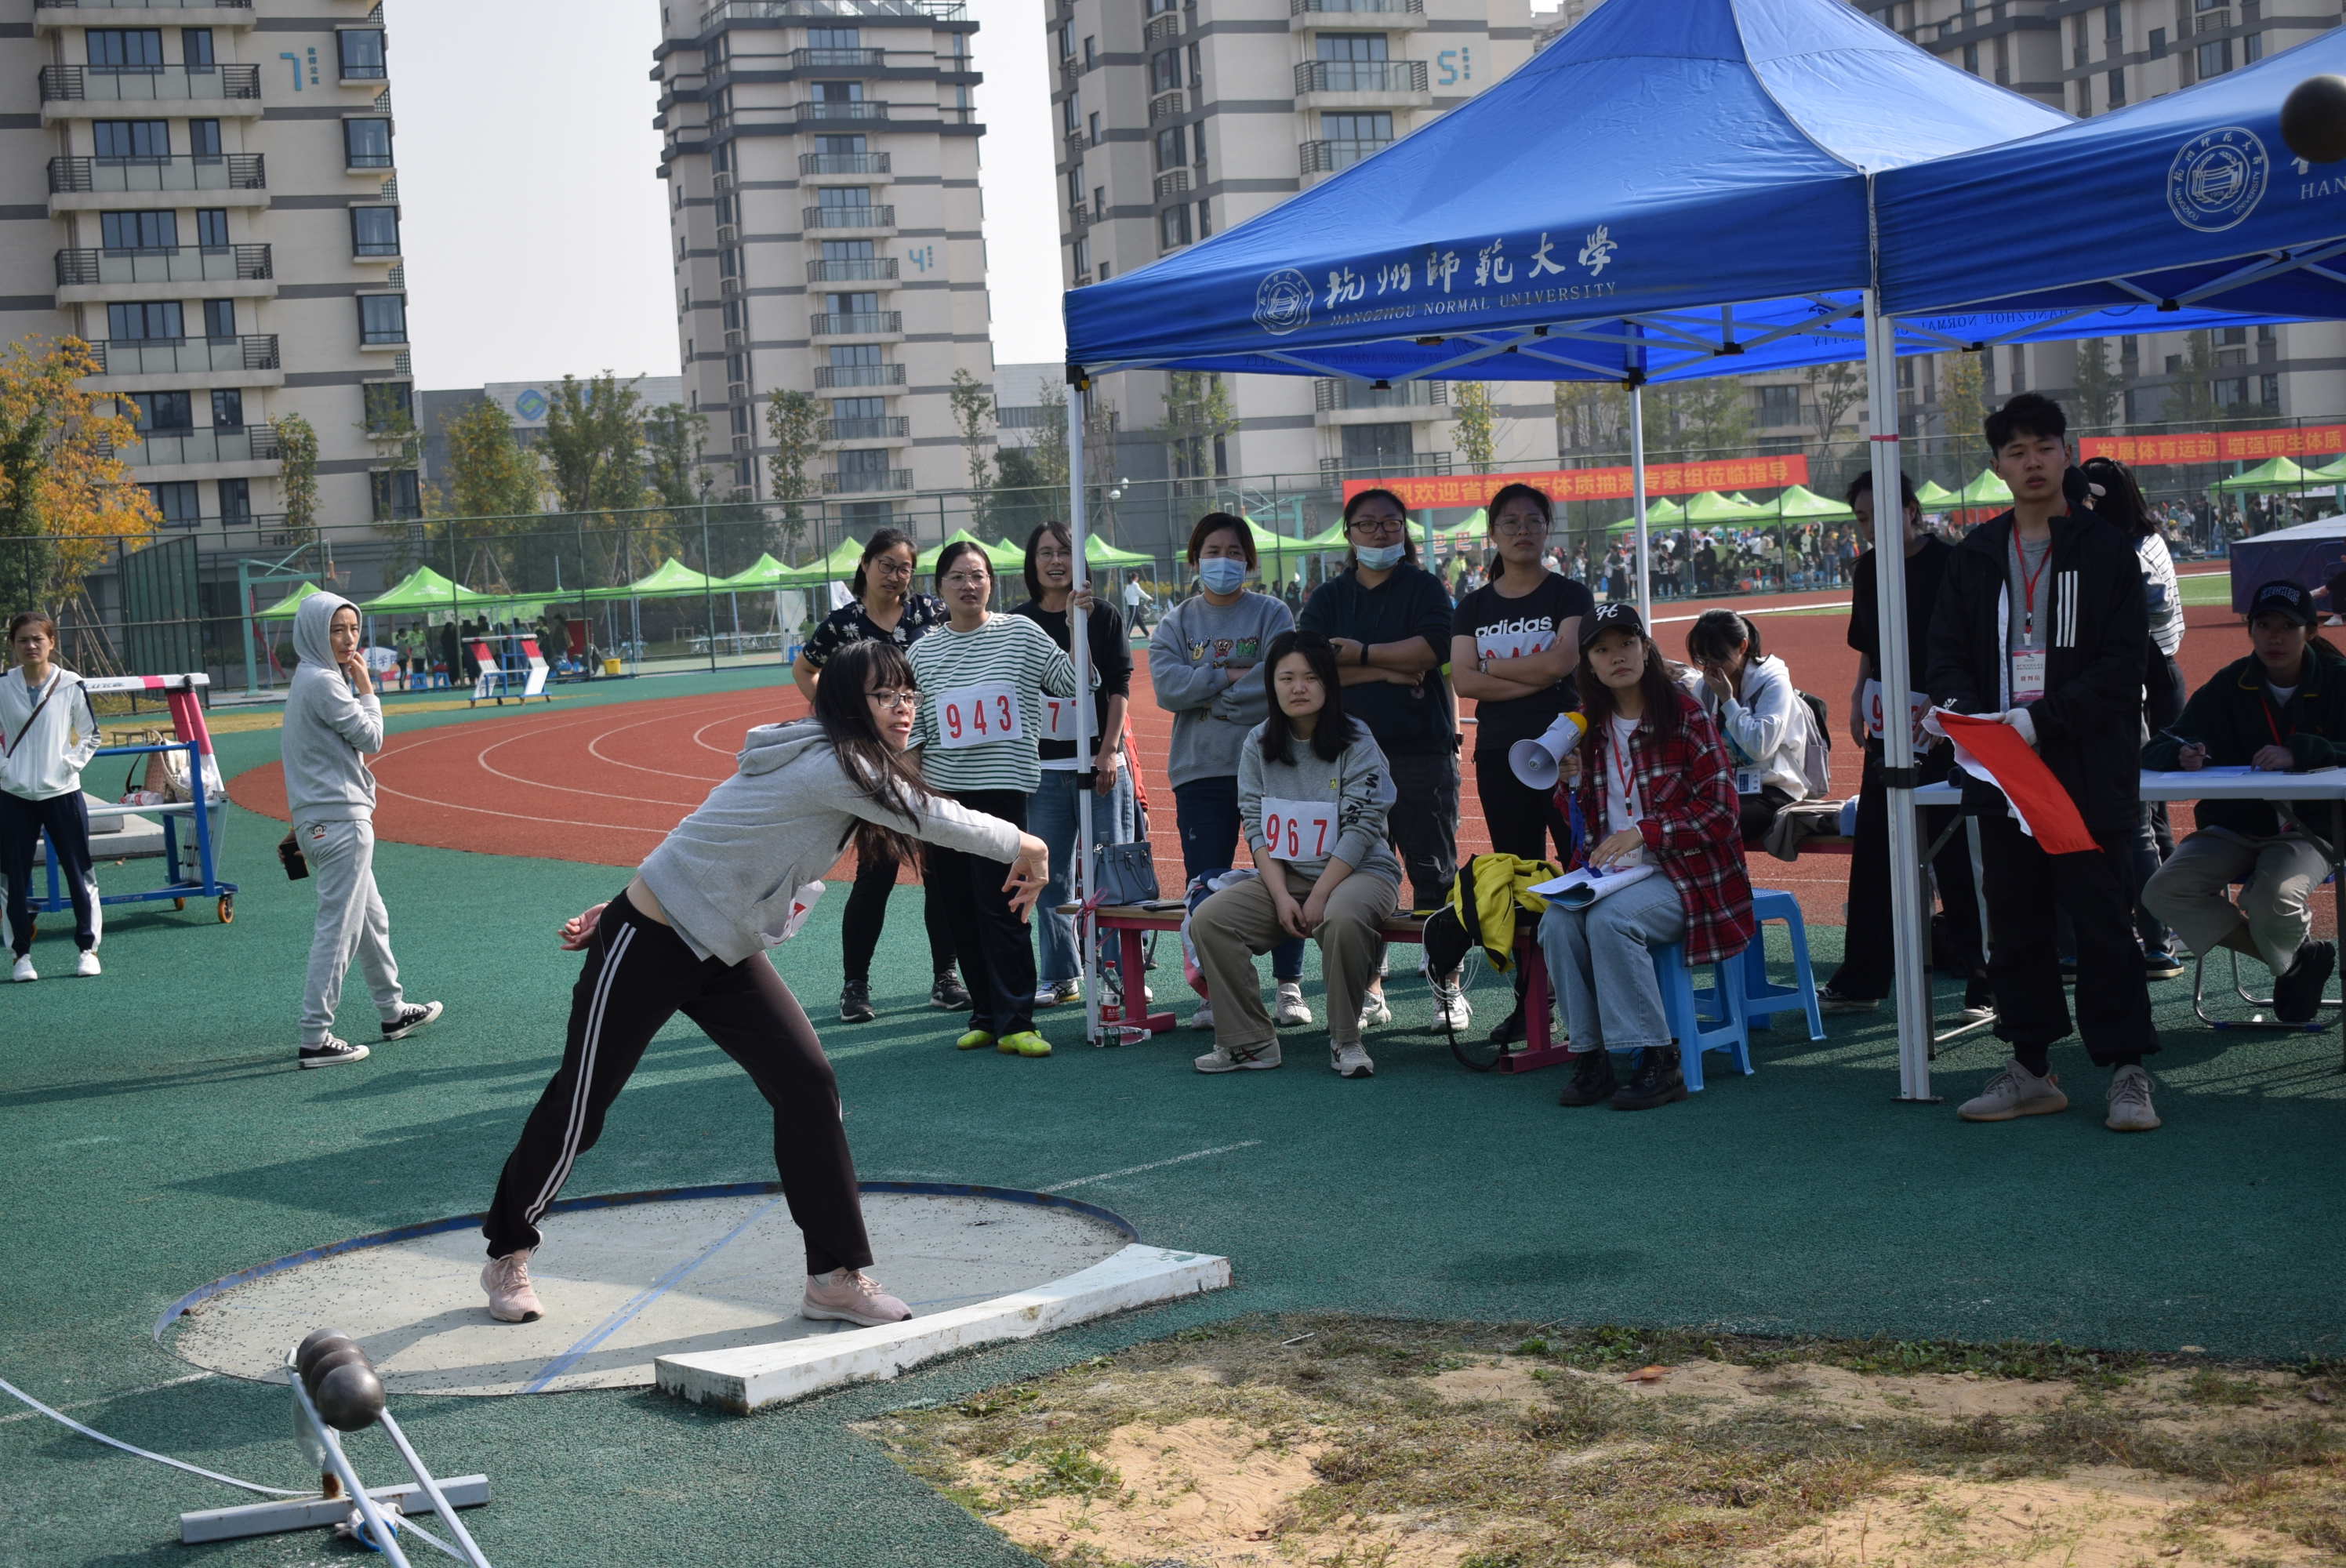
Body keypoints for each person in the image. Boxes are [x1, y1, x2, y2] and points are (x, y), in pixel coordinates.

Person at [478, 638, 1051, 1327]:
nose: (903, 707)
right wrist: (1029, 843)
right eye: (884, 695)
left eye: (908, 693)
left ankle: (833, 1278)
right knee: (581, 1103)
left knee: (808, 1087)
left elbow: (721, 831)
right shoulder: (833, 765)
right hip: (652, 941)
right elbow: (934, 817)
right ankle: (508, 1252)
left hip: (724, 950)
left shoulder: (841, 760)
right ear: (847, 702)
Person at [1924, 393, 2160, 1133]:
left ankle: (2128, 1072)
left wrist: (2040, 719)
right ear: (1997, 466)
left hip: (2085, 770)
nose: (2032, 462)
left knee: (2103, 923)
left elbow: (2124, 667)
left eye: (2043, 447)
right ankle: (2031, 1069)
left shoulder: (2105, 550)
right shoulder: (1975, 555)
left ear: (2067, 453)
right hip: (2002, 773)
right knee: (2016, 925)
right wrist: (1970, 717)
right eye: (2016, 451)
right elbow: (1946, 655)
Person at [1538, 604, 1755, 1112]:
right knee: (1556, 922)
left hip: (1687, 874)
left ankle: (1659, 1059)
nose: (1617, 656)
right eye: (1602, 649)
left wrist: (1645, 831)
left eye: (1626, 643)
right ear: (1589, 664)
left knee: (1610, 921)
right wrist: (1568, 784)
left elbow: (1722, 811)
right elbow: (1582, 821)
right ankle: (1591, 1057)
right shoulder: (1587, 726)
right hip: (1613, 875)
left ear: (1646, 648)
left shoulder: (1685, 714)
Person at [1191, 631, 1401, 1078]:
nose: (1298, 688)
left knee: (1341, 918)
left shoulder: (1357, 740)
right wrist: (1282, 895)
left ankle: (1345, 1040)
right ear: (1272, 685)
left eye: (1310, 677)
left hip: (1360, 873)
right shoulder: (1258, 743)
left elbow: (1362, 827)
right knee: (1210, 919)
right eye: (1286, 678)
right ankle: (1251, 1042)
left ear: (1329, 682)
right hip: (1289, 876)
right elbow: (1256, 828)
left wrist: (1319, 895)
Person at [1820, 470, 1988, 1019]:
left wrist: (1945, 707)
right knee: (1875, 849)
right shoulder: (1867, 570)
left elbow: (1973, 645)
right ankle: (1862, 980)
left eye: (1881, 514)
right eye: (1862, 518)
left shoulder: (1952, 564)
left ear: (1913, 510)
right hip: (1887, 729)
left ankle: (1984, 982)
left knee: (1956, 855)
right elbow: (1868, 645)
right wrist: (1855, 698)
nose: (1871, 527)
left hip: (1944, 729)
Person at [906, 539, 1080, 1058]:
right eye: (957, 577)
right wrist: (916, 799)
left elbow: (1072, 682)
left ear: (991, 583)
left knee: (1005, 906)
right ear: (939, 588)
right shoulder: (921, 652)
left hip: (1002, 793)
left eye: (978, 575)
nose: (969, 585)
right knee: (960, 909)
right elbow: (915, 729)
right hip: (944, 800)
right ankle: (985, 1014)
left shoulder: (1021, 634)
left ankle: (1017, 1020)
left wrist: (1079, 626)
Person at [2141, 580, 2344, 1022]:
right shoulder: (2230, 683)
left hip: (2310, 831)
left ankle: (2292, 963)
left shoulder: (2337, 678)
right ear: (2250, 629)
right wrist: (2180, 754)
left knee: (2273, 899)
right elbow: (2159, 745)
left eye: (2287, 626)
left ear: (2310, 631)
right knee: (2163, 891)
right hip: (2232, 826)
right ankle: (2297, 961)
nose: (2274, 637)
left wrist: (2302, 752)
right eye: (2263, 625)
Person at [1299, 487, 1464, 1031]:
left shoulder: (1424, 587)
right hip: (1347, 757)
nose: (1379, 533)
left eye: (1391, 523)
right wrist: (1391, 669)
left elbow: (1434, 649)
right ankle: (1370, 989)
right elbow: (1312, 668)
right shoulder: (1329, 597)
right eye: (1367, 524)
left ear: (1404, 530)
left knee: (1433, 872)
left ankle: (1446, 985)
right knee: (1356, 872)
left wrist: (1361, 655)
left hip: (1421, 751)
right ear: (1348, 534)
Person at [790, 529, 964, 1022]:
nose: (895, 575)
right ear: (865, 565)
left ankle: (946, 978)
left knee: (940, 874)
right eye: (886, 564)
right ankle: (855, 986)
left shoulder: (930, 612)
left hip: (932, 756)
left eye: (904, 567)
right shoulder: (842, 624)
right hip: (875, 764)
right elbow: (805, 670)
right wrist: (842, 718)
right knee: (876, 875)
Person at [1448, 482, 1595, 1044]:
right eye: (1509, 522)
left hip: (1566, 751)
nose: (1522, 531)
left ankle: (1596, 999)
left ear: (1547, 529)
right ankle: (1533, 1004)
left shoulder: (1568, 594)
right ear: (1493, 533)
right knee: (1521, 876)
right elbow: (1464, 681)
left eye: (1533, 520)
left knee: (1583, 867)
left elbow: (1565, 661)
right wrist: (1537, 672)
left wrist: (1494, 668)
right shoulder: (1473, 605)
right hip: (1498, 753)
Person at [1149, 514, 1306, 1030]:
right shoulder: (1176, 623)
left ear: (1249, 560)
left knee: (1286, 874)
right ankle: (1214, 990)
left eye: (1234, 552)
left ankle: (1289, 986)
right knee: (1205, 883)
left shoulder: (1271, 613)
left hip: (1272, 766)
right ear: (1196, 560)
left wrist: (1209, 693)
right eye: (1213, 551)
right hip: (1201, 770)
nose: (1224, 561)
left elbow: (1280, 680)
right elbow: (1168, 688)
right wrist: (1232, 675)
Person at [282, 593, 441, 1067]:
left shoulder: (307, 678)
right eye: (337, 629)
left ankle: (393, 1011)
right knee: (338, 931)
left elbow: (306, 758)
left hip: (322, 819)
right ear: (315, 633)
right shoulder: (324, 682)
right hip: (341, 823)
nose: (349, 639)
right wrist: (368, 688)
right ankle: (315, 1036)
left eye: (354, 628)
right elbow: (371, 738)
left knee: (371, 920)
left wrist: (300, 823)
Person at [1012, 521, 1131, 1009]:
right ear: (1032, 563)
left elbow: (1119, 685)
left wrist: (1109, 750)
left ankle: (1118, 972)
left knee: (1111, 871)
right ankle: (1061, 974)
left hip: (1098, 764)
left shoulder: (1102, 615)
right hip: (1043, 771)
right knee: (1050, 877)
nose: (1055, 561)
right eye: (1045, 552)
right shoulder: (1018, 623)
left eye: (1063, 551)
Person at [2083, 454, 2189, 980]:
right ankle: (2166, 922)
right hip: (2158, 674)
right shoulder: (2147, 537)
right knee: (2151, 813)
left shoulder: (2130, 548)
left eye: (2087, 497)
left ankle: (2163, 928)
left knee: (2146, 815)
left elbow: (2153, 611)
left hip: (2148, 681)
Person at [1, 611, 102, 982]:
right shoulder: (2, 685)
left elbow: (91, 734)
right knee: (12, 878)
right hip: (13, 795)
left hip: (62, 793)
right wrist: (5, 769)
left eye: (37, 639)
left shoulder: (70, 684)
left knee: (79, 872)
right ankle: (20, 957)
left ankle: (88, 949)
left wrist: (68, 765)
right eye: (22, 640)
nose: (31, 645)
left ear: (51, 642)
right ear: (12, 645)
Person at [1680, 609, 1821, 847]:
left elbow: (1759, 748)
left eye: (1717, 658)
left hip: (1774, 787)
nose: (1710, 668)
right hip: (1726, 787)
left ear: (1742, 647)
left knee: (1718, 823)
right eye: (1702, 660)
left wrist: (1728, 702)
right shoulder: (1705, 687)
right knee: (1676, 815)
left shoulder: (1773, 683)